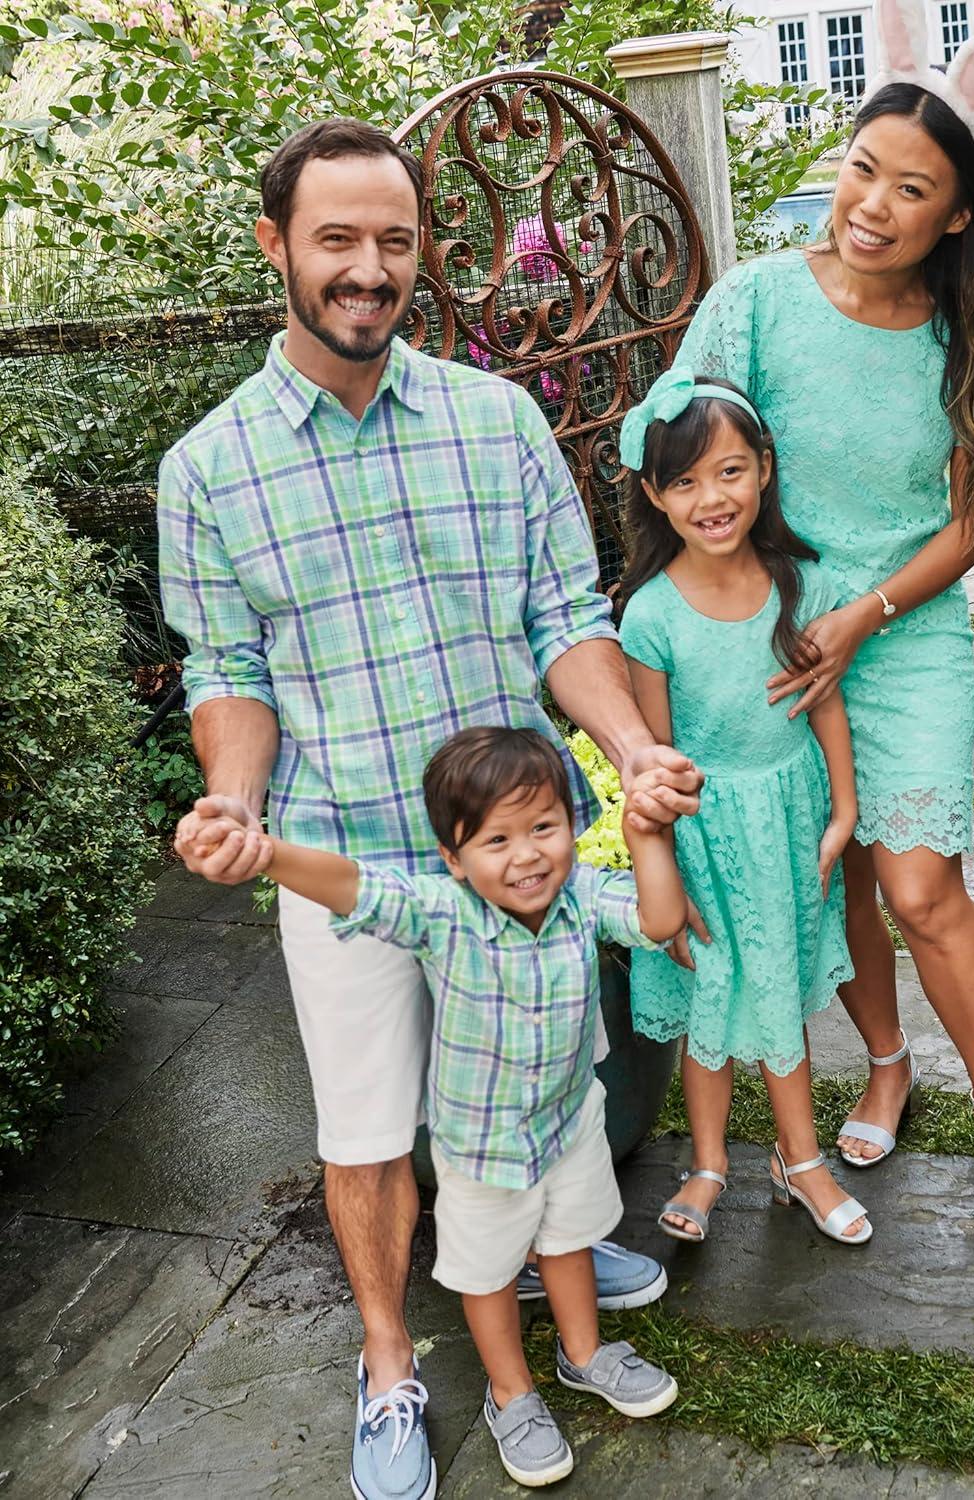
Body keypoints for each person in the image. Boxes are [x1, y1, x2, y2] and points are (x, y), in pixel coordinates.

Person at [161, 117, 703, 1500]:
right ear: (276, 245)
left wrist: (631, 748)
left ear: (422, 253)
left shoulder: (496, 420)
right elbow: (227, 669)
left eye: (394, 241)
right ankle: (390, 1356)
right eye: (337, 239)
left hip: (515, 857)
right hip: (347, 857)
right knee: (364, 1134)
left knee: (547, 1076)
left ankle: (541, 1243)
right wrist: (235, 803)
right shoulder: (209, 468)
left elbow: (562, 615)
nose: (368, 268)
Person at [670, 0, 974, 1247]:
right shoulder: (758, 301)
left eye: (911, 189)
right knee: (832, 876)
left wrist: (869, 613)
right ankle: (886, 1065)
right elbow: (678, 440)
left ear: (959, 215)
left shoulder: (972, 334)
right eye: (862, 168)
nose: (872, 206)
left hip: (905, 632)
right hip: (776, 641)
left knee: (920, 885)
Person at [181, 727, 684, 1489]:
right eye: (496, 840)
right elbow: (353, 885)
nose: (527, 855)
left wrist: (646, 834)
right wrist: (264, 850)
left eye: (543, 827)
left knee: (570, 1241)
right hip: (482, 1148)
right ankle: (510, 1396)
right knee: (487, 1275)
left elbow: (659, 920)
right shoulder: (440, 912)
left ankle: (582, 1355)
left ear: (570, 826)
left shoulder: (581, 896)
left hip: (571, 1121)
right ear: (453, 857)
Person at [614, 370, 869, 1247]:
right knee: (711, 997)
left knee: (775, 995)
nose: (711, 498)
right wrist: (666, 870)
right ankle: (708, 1163)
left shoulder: (799, 584)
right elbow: (655, 758)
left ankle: (802, 1161)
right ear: (655, 495)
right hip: (703, 837)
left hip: (786, 823)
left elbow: (822, 704)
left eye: (728, 471)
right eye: (683, 481)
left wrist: (842, 811)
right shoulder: (650, 615)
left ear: (762, 467)